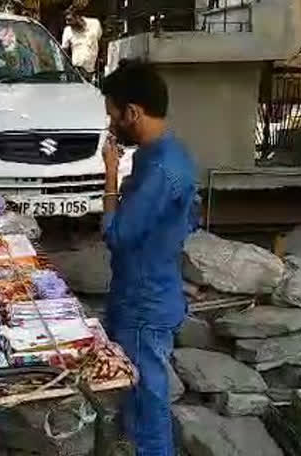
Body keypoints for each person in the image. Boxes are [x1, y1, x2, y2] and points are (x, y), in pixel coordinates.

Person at [100, 61, 197, 456]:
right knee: (137, 397)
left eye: (113, 115)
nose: (111, 125)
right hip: (147, 289)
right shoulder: (167, 154)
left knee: (147, 403)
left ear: (132, 113)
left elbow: (117, 235)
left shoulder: (159, 169)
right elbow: (189, 221)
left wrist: (109, 175)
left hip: (145, 301)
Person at [61, 9, 102, 82]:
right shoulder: (68, 31)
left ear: (78, 17)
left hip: (92, 70)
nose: (67, 23)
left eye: (69, 19)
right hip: (77, 71)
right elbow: (64, 51)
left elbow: (100, 40)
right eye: (66, 20)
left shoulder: (95, 24)